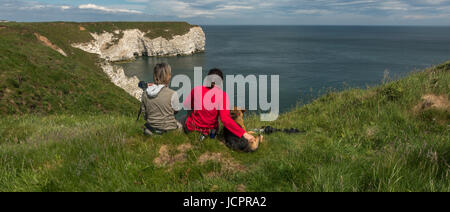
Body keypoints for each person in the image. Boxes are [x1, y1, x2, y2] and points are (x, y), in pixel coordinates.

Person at [182, 68, 257, 150]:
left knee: (184, 118)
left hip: (191, 128)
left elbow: (186, 104)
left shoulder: (196, 89)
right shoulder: (222, 96)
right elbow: (225, 119)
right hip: (210, 132)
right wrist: (244, 134)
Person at [140, 63, 182, 135]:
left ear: (154, 76)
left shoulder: (145, 93)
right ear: (168, 77)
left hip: (151, 127)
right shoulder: (172, 94)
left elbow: (144, 113)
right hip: (169, 129)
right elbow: (176, 110)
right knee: (180, 125)